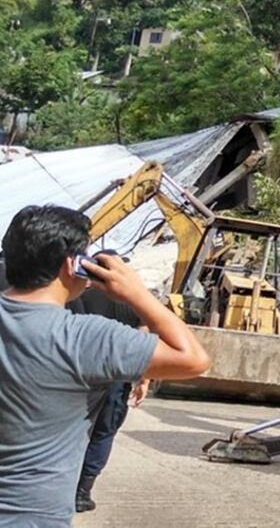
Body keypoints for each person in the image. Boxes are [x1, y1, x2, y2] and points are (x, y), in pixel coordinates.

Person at [0, 205, 211, 527]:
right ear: (74, 265)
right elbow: (194, 359)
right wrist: (138, 294)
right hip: (31, 515)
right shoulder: (86, 337)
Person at [67, 287, 152, 513]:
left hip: (79, 372)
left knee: (71, 430)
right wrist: (143, 379)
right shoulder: (130, 299)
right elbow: (143, 337)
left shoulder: (77, 294)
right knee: (104, 432)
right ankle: (82, 492)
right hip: (116, 374)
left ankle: (64, 487)